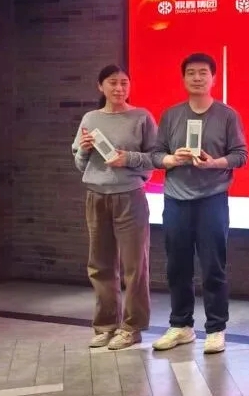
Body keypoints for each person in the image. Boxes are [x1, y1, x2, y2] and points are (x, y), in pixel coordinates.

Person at [150, 52, 248, 354]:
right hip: (176, 199)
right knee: (177, 266)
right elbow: (156, 154)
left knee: (213, 266)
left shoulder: (227, 115)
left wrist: (214, 163)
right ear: (183, 78)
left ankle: (216, 328)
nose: (197, 78)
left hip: (212, 199)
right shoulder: (171, 115)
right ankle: (181, 325)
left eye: (203, 72)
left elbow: (240, 155)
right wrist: (171, 159)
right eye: (191, 72)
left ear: (213, 78)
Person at [71, 64, 157, 351]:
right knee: (100, 265)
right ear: (100, 86)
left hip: (130, 196)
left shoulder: (141, 117)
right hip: (96, 196)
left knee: (135, 266)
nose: (119, 88)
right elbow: (80, 163)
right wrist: (84, 149)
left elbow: (155, 158)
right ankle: (106, 325)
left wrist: (127, 159)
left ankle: (132, 327)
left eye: (124, 83)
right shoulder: (90, 118)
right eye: (112, 82)